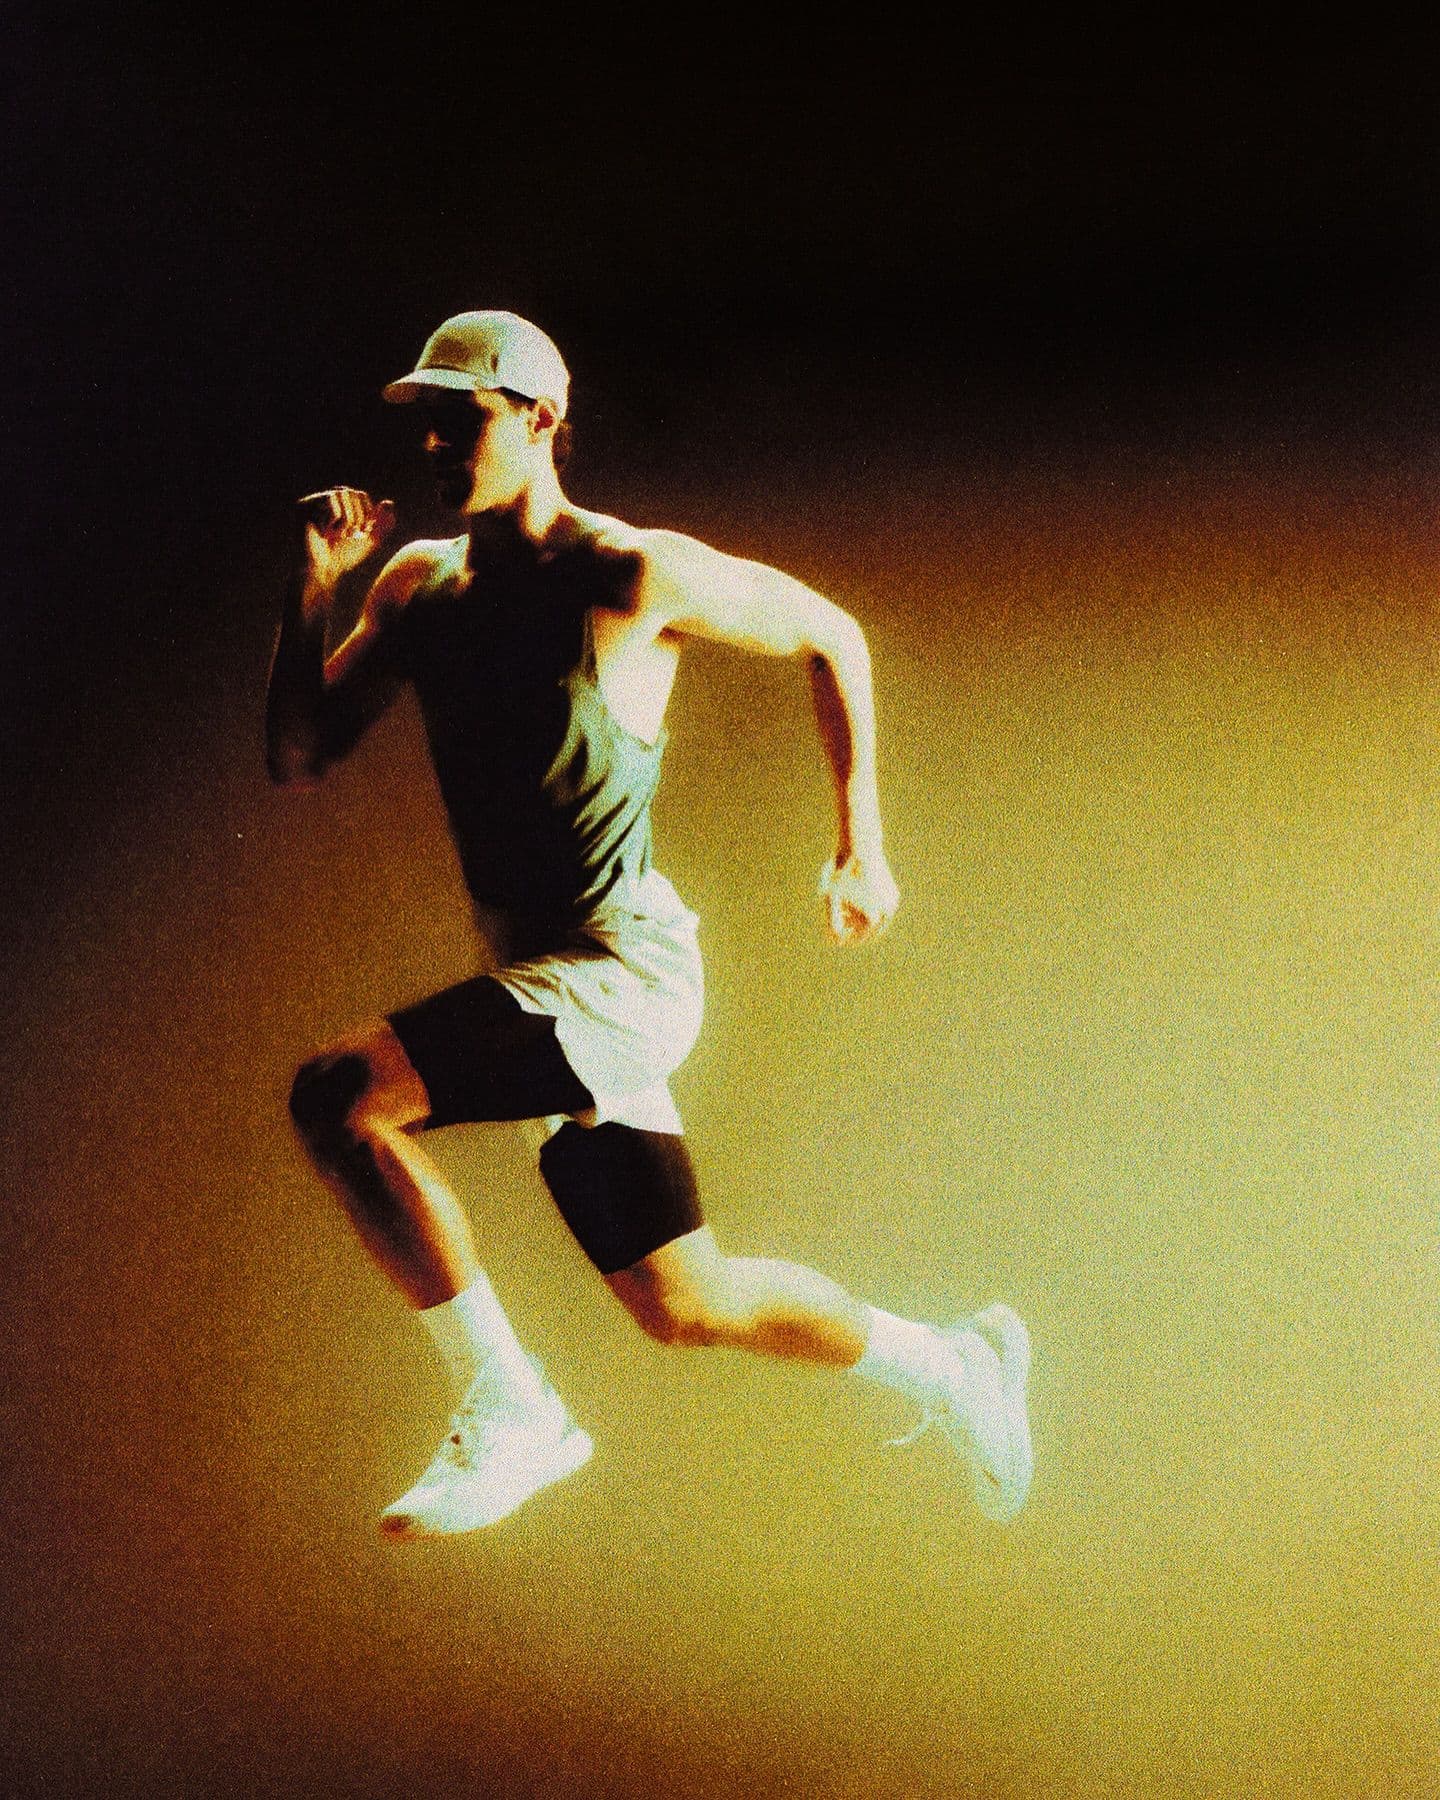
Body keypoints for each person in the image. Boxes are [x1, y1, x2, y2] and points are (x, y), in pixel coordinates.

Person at [266, 310, 1032, 1539]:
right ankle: (951, 1365)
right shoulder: (420, 590)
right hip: (541, 978)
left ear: (540, 419)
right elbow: (301, 756)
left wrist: (861, 844)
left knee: (338, 1097)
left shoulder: (629, 572)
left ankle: (513, 1405)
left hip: (620, 974)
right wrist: (315, 590)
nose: (436, 445)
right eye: (427, 424)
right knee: (688, 1302)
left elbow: (830, 635)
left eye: (462, 419)